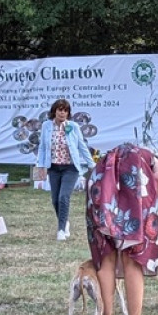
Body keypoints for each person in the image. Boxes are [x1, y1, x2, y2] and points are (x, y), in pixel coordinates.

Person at [86, 143, 158, 315]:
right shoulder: (149, 159)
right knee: (133, 259)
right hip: (132, 193)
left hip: (99, 192)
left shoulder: (106, 158)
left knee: (105, 258)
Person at [35, 98, 95, 240]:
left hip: (70, 168)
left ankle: (61, 230)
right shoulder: (46, 126)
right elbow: (42, 147)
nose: (62, 113)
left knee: (64, 197)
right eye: (59, 110)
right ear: (54, 111)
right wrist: (40, 167)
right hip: (53, 168)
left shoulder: (73, 126)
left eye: (65, 110)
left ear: (68, 113)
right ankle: (65, 221)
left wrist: (91, 164)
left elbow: (81, 145)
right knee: (55, 200)